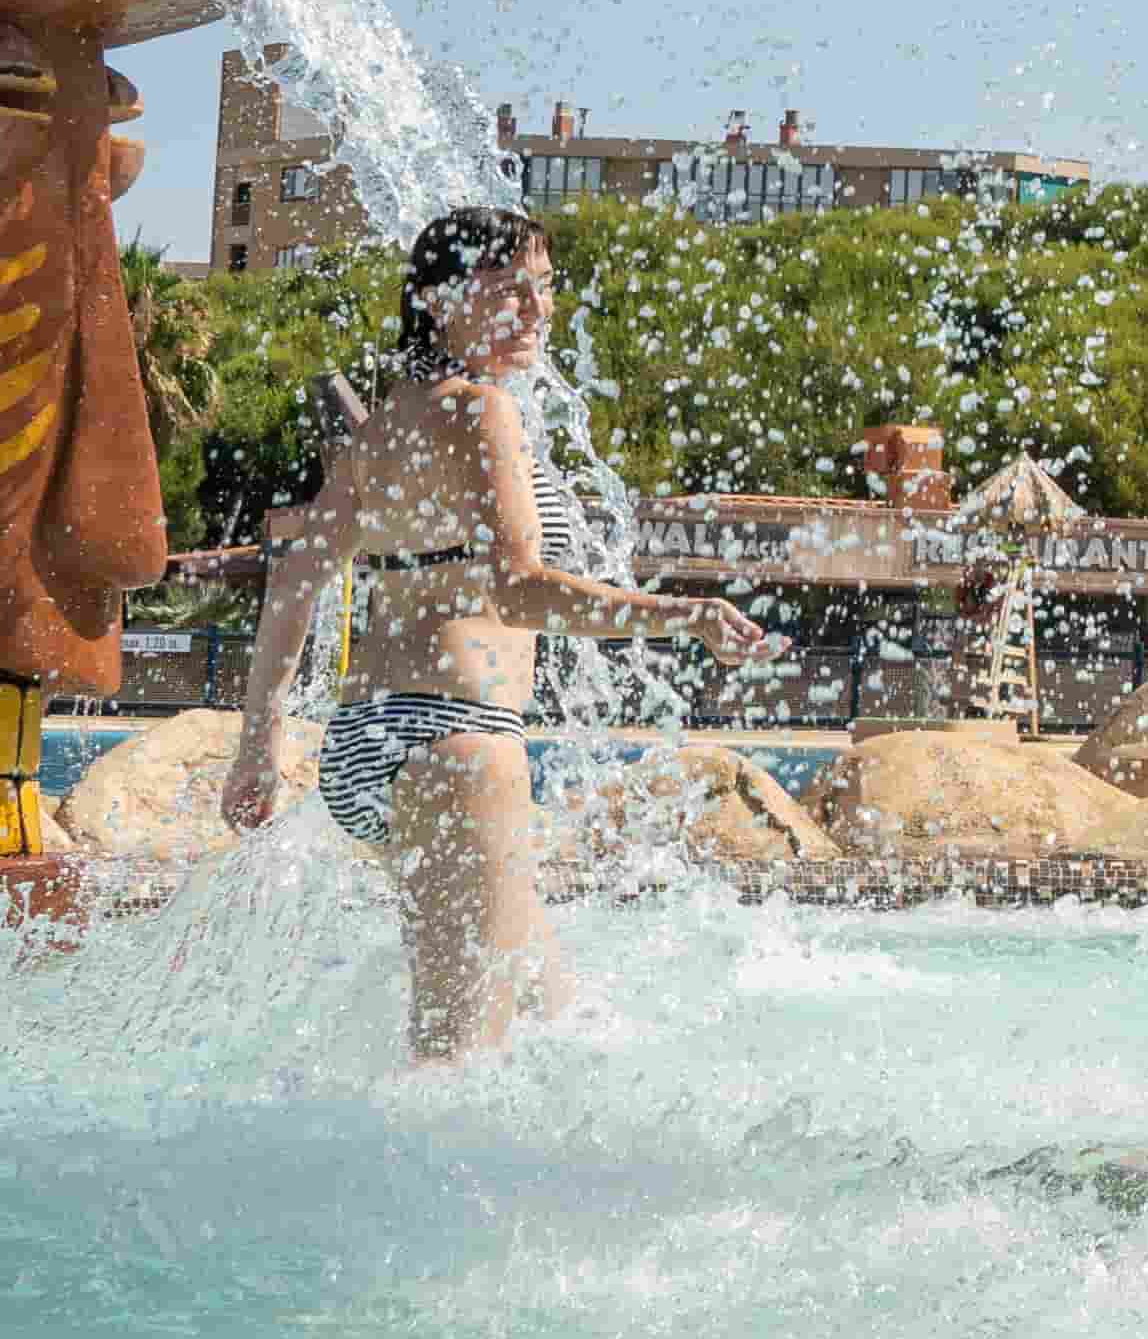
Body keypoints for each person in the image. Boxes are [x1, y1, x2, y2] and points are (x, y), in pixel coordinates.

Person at [220, 206, 757, 1061]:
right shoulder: (484, 411)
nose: (538, 312)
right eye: (510, 291)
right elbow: (519, 589)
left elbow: (294, 583)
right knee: (456, 1065)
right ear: (436, 302)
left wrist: (260, 742)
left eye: (544, 288)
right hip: (455, 738)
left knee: (559, 1023)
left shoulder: (387, 424)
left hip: (365, 747)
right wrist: (680, 617)